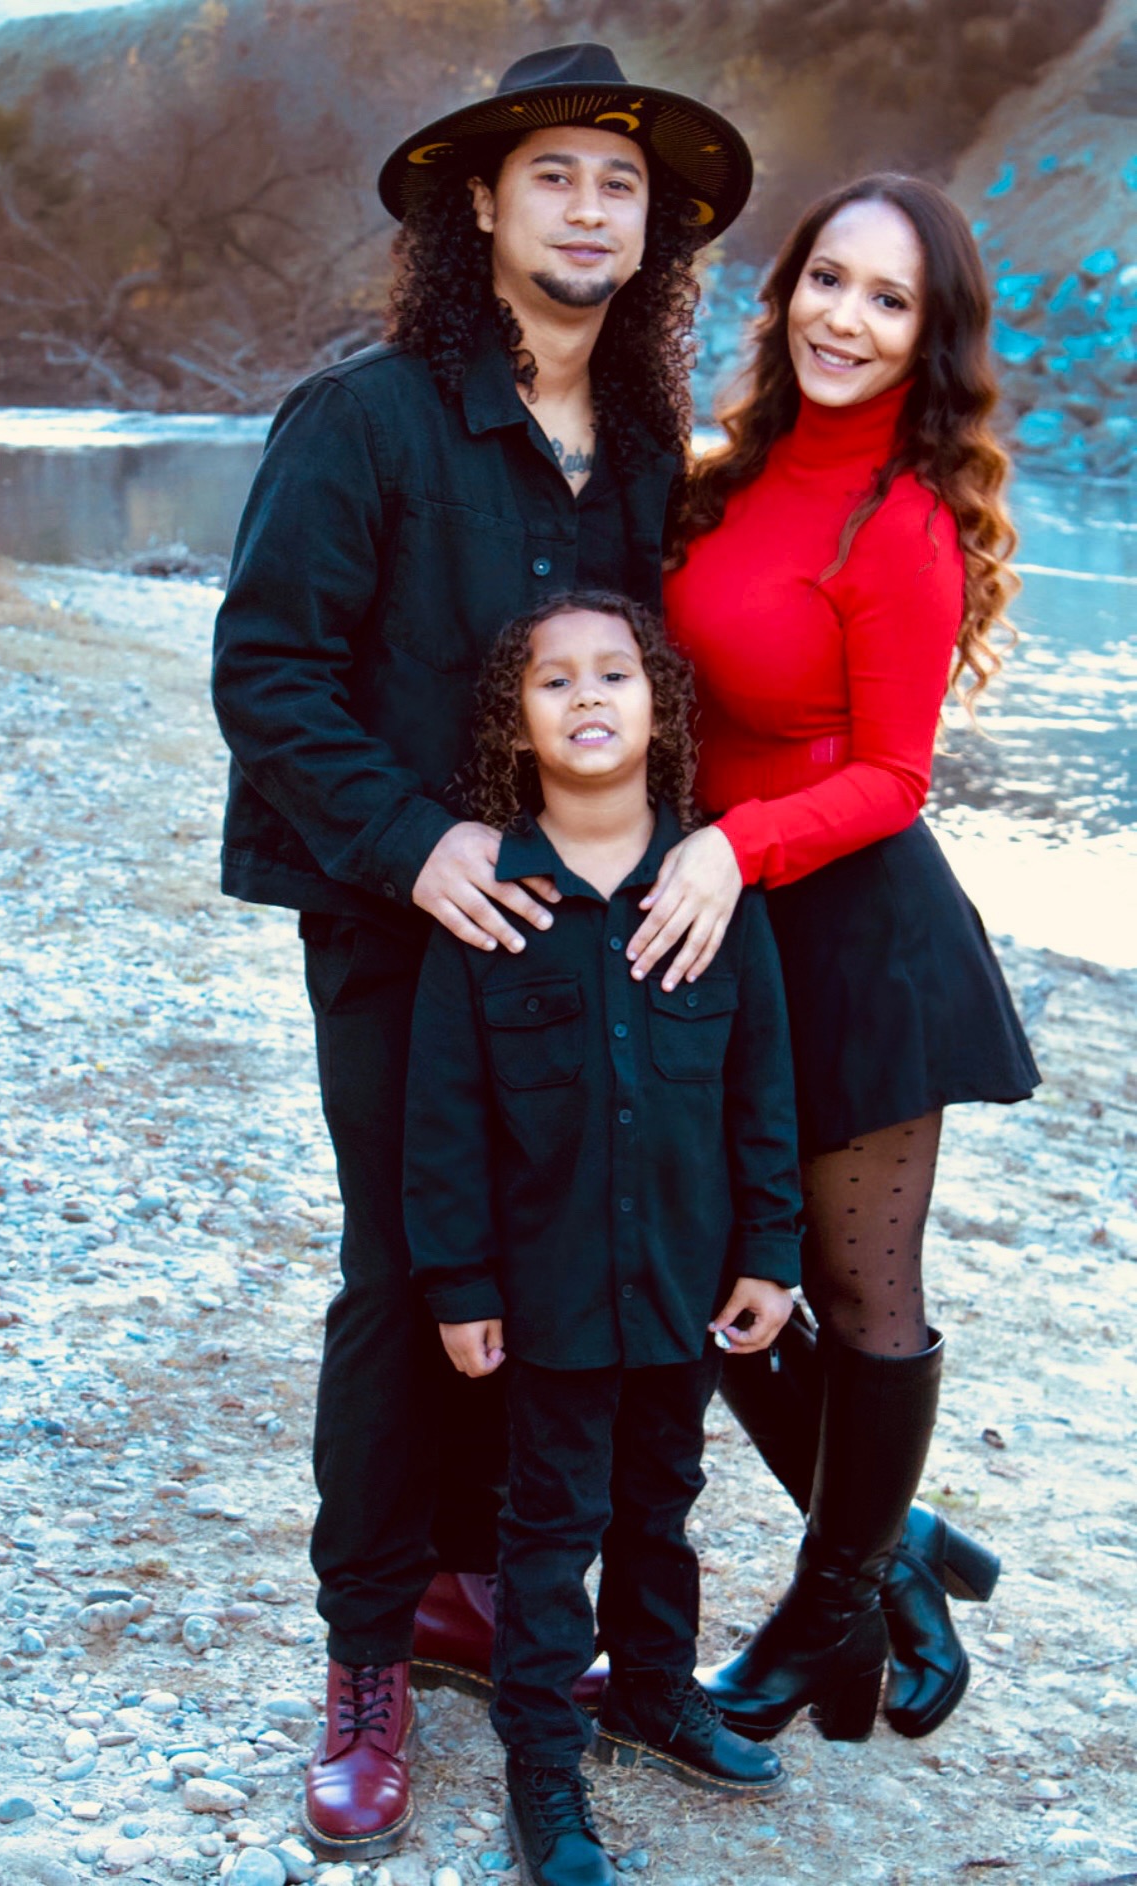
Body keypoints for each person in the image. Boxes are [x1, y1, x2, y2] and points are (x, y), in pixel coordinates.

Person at [210, 42, 753, 1859]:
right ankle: (368, 1652)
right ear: (482, 206)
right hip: (397, 925)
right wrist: (419, 838)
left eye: (620, 183)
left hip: (579, 941)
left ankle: (471, 1586)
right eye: (554, 175)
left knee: (560, 1262)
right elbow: (266, 671)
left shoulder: (649, 446)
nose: (589, 209)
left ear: (650, 232)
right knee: (406, 1269)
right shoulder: (361, 420)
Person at [629, 172, 1039, 1744]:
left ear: (929, 338)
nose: (844, 319)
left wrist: (732, 845)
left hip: (855, 933)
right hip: (715, 921)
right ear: (783, 287)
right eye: (826, 279)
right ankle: (890, 1552)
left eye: (887, 299)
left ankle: (825, 1605)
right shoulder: (722, 478)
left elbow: (892, 776)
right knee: (697, 1261)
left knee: (858, 1285)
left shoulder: (903, 522)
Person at [405, 592, 800, 1886]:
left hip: (685, 1278)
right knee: (550, 1520)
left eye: (614, 673)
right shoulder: (491, 909)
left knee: (663, 1501)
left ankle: (650, 1692)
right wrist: (459, 1280)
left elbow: (762, 1089)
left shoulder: (712, 893)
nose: (586, 694)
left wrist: (771, 1249)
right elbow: (444, 1116)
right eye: (553, 678)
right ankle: (540, 1756)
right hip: (551, 1289)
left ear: (660, 707)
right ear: (513, 724)